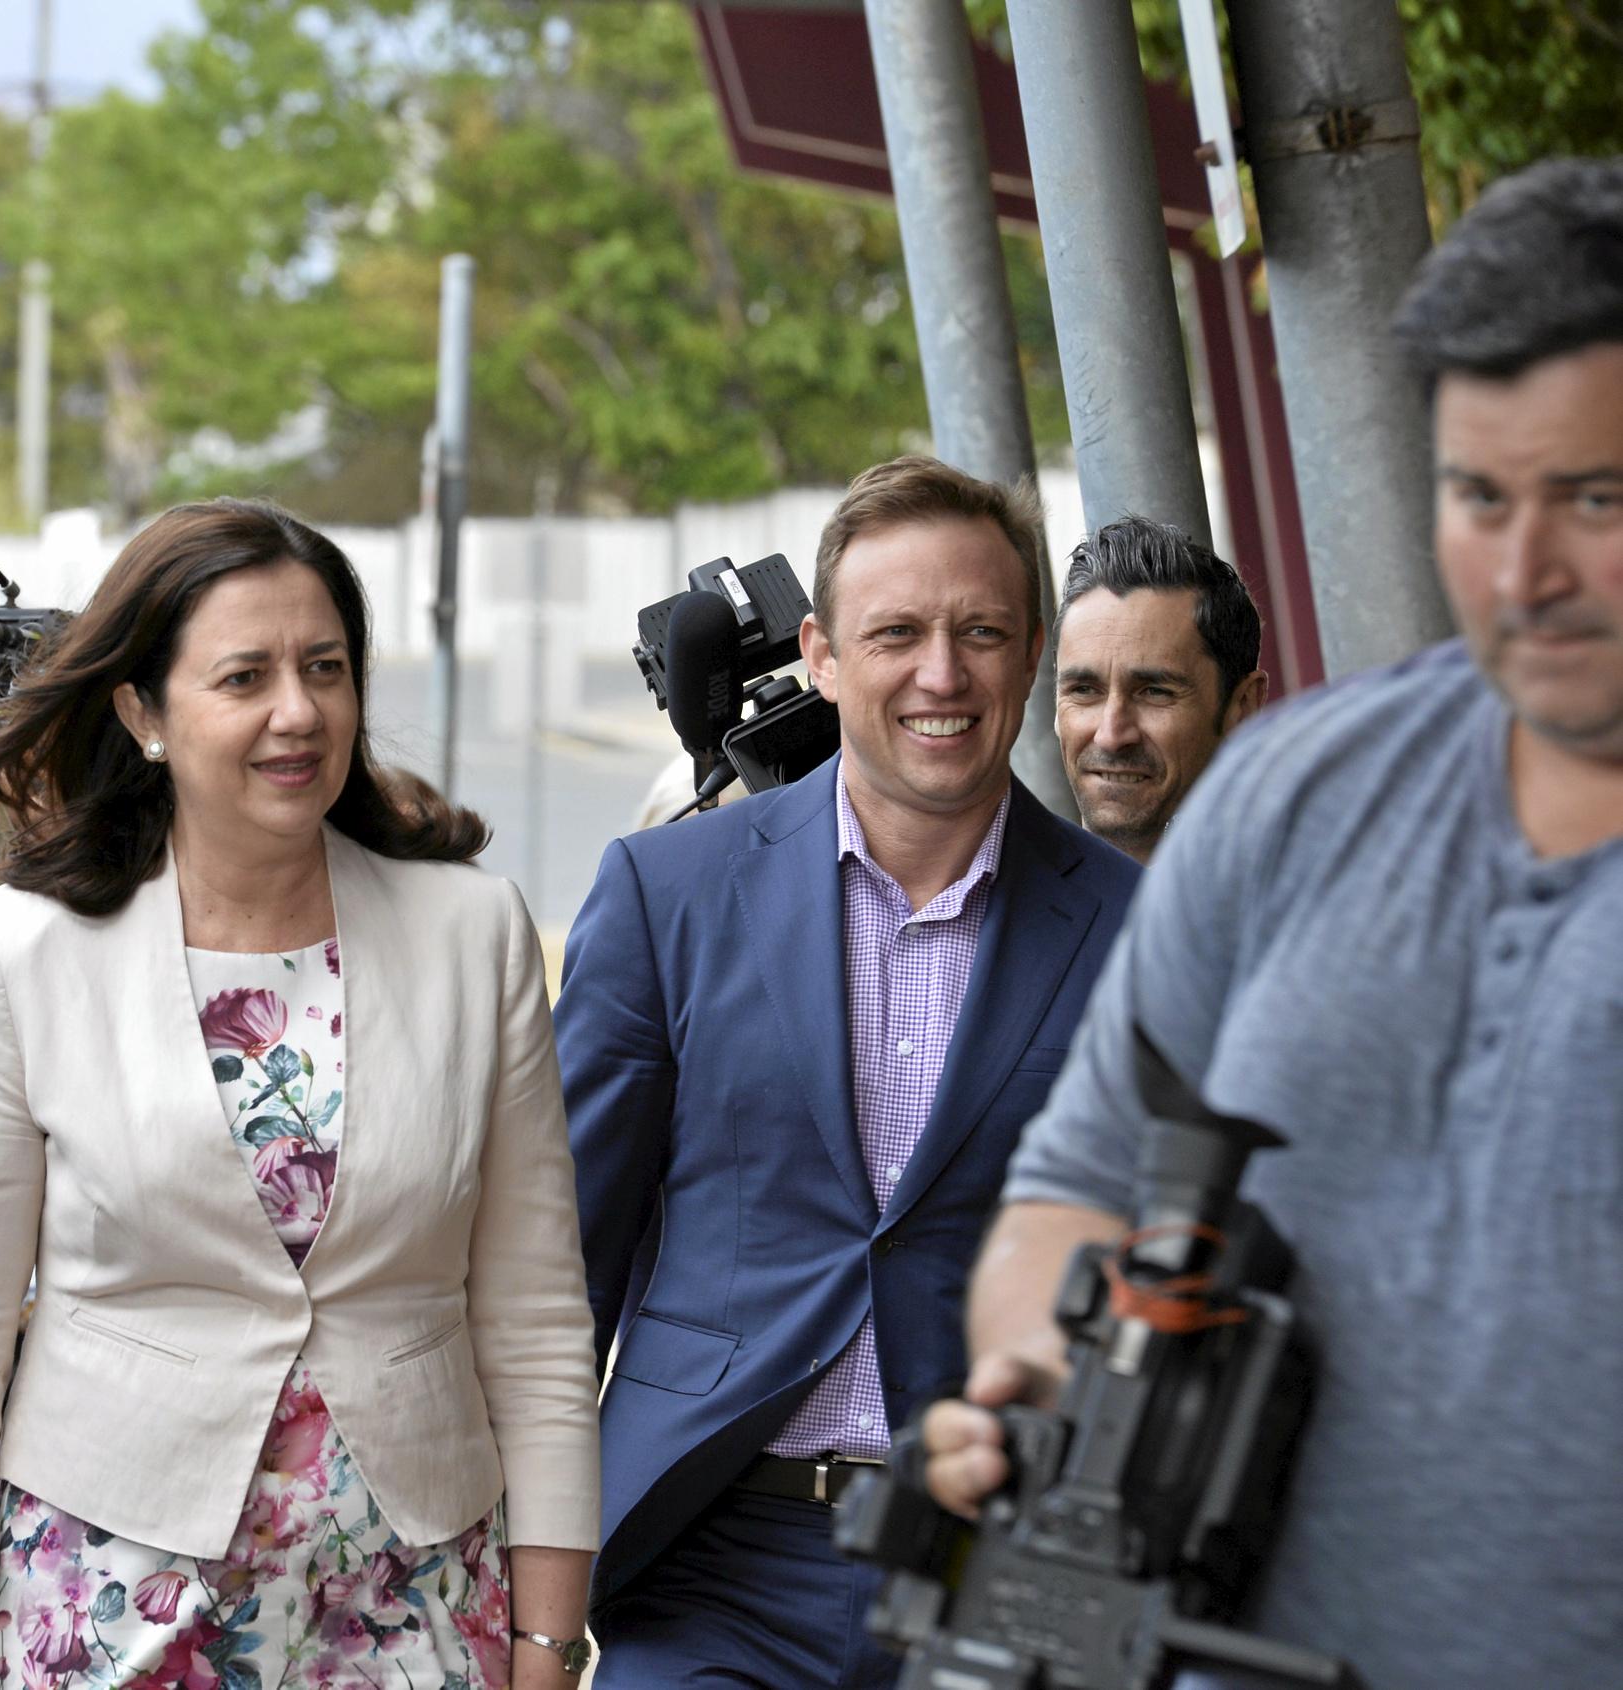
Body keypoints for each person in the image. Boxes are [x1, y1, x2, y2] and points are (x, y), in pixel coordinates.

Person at [920, 157, 1623, 1688]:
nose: (1525, 575)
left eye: (1593, 497)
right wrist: (1047, 1368)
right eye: (1476, 496)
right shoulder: (1296, 791)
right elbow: (1074, 1184)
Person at [0, 498, 600, 1690]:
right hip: (111, 1608)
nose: (298, 711)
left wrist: (547, 1646)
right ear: (142, 711)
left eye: (324, 668)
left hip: (412, 1608)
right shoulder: (24, 950)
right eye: (244, 676)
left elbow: (534, 1326)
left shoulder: (475, 932)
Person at [557, 456, 1143, 1687]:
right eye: (897, 634)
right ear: (821, 655)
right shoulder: (668, 894)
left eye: (981, 631)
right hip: (712, 1549)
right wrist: (533, 1591)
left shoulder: (1138, 930)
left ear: (1031, 651)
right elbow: (564, 1269)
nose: (942, 673)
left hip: (1003, 1556)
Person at [1052, 516, 1267, 862]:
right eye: (1084, 690)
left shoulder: (1308, 902)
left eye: (1154, 692)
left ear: (1243, 706)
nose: (1111, 735)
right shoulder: (994, 905)